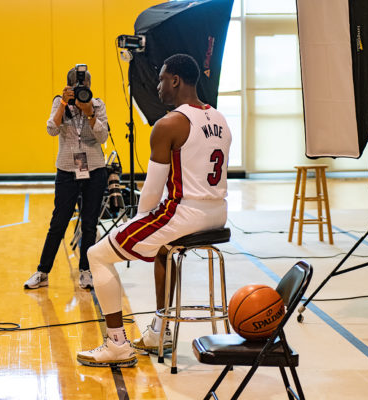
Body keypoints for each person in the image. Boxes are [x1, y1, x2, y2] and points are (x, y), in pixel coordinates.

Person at [76, 54, 232, 367]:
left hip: (185, 213)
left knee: (97, 254)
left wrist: (134, 226)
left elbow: (152, 190)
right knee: (163, 250)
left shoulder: (169, 123)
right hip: (219, 212)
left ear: (175, 80)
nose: (158, 86)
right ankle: (160, 332)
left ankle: (117, 344)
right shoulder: (219, 118)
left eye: (161, 79)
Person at [24, 67, 109, 290]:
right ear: (68, 87)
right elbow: (51, 129)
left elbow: (102, 137)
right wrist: (63, 103)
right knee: (58, 222)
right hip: (67, 169)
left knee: (90, 223)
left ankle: (86, 271)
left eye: (85, 86)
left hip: (95, 169)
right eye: (77, 87)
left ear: (90, 85)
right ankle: (42, 272)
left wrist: (90, 112)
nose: (82, 90)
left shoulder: (98, 104)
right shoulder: (59, 103)